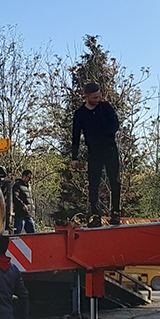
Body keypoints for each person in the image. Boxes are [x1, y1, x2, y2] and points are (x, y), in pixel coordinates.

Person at [70, 82, 121, 225]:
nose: (98, 99)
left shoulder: (106, 108)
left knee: (114, 181)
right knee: (94, 183)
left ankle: (115, 212)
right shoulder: (80, 114)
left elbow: (115, 124)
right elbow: (75, 136)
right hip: (94, 152)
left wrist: (105, 135)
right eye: (94, 97)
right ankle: (95, 214)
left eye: (99, 96)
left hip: (110, 149)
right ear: (86, 97)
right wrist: (75, 157)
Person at [12, 169, 36, 235]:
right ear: (24, 176)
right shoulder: (17, 186)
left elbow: (30, 198)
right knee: (18, 233)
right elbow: (15, 197)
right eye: (29, 177)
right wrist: (22, 205)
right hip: (20, 214)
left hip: (28, 214)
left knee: (33, 234)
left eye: (31, 178)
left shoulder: (29, 187)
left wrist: (32, 206)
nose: (30, 179)